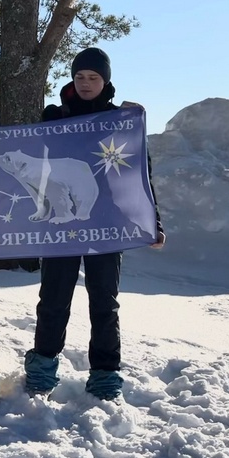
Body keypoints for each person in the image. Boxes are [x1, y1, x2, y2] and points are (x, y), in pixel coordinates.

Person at [24, 47, 165, 401]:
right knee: (53, 299)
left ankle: (104, 374)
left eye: (94, 77)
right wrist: (48, 125)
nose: (86, 83)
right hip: (62, 225)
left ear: (106, 81)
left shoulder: (120, 122)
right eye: (80, 77)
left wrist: (152, 221)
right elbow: (30, 159)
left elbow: (139, 176)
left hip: (106, 225)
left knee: (104, 302)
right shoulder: (56, 118)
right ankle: (42, 369)